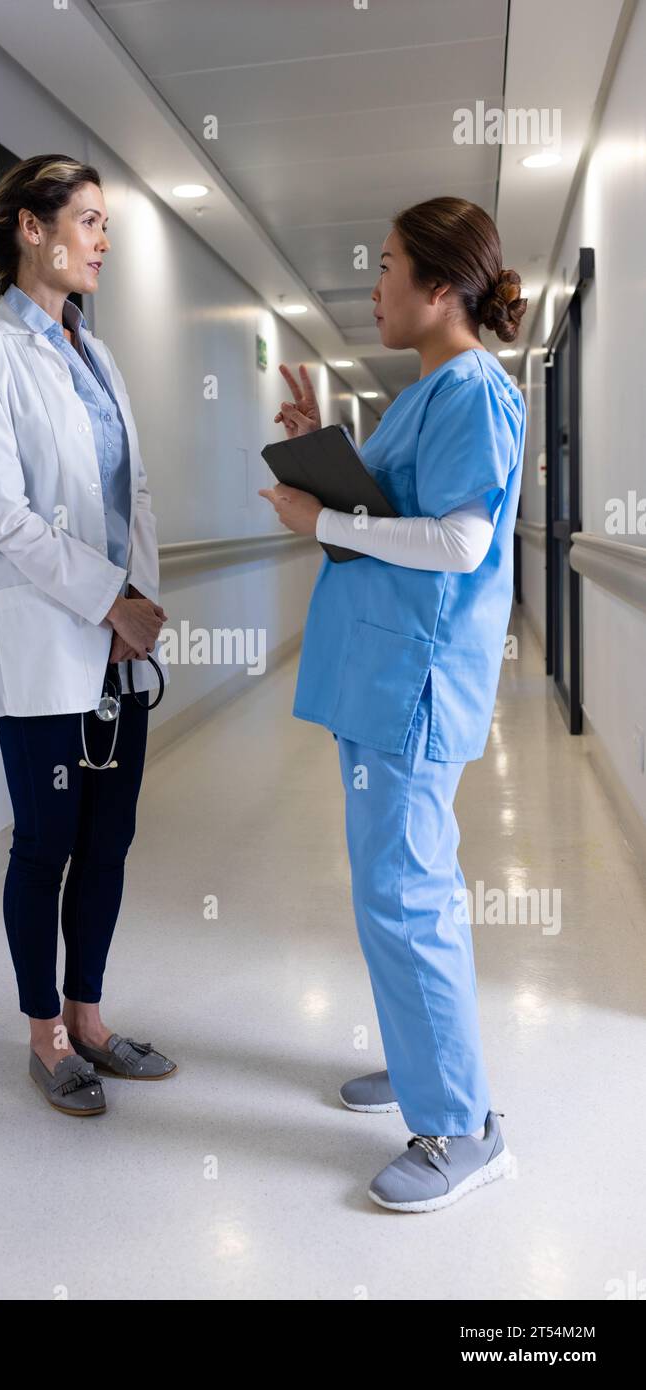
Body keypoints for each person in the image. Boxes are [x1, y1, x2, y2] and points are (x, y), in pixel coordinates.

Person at [259, 196, 528, 1212]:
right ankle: (426, 1067)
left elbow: (459, 541)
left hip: (414, 681)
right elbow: (399, 514)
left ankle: (461, 1123)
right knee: (398, 886)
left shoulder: (472, 393)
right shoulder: (425, 390)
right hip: (382, 678)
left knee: (409, 894)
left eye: (386, 266)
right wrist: (330, 462)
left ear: (441, 285)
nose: (373, 285)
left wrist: (325, 509)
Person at [0, 154, 177, 1117]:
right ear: (30, 228)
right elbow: (5, 517)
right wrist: (105, 601)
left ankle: (90, 1017)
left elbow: (133, 495)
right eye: (87, 221)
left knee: (109, 843)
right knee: (45, 846)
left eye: (105, 224)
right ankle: (42, 1036)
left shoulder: (96, 352)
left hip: (117, 645)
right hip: (44, 647)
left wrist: (140, 605)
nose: (102, 242)